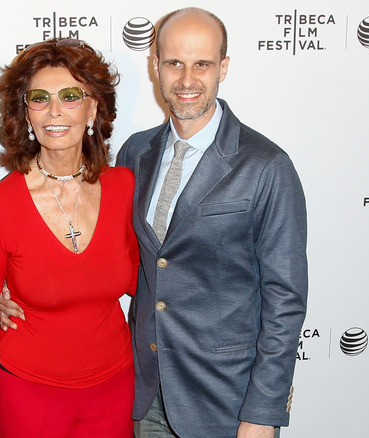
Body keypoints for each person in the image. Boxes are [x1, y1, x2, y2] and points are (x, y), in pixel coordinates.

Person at [117, 8, 308, 438]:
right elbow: (123, 257)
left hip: (227, 401)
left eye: (202, 63)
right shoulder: (135, 153)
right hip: (148, 393)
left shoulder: (266, 165)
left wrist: (262, 412)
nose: (187, 79)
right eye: (174, 63)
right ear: (156, 67)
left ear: (223, 67)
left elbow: (285, 299)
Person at [0, 38, 139, 438]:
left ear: (93, 107)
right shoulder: (0, 203)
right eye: (40, 98)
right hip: (28, 392)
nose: (55, 111)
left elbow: (145, 280)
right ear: (26, 114)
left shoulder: (125, 187)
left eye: (70, 96)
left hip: (115, 388)